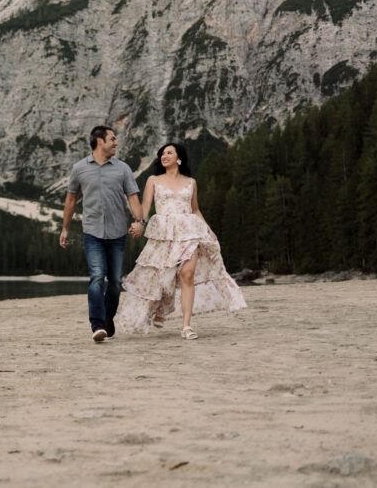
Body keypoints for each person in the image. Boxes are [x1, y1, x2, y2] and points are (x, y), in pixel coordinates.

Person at [116, 143, 247, 339]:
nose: (164, 156)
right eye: (162, 153)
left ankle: (186, 326)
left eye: (169, 152)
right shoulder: (153, 180)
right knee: (161, 278)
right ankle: (160, 310)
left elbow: (195, 209)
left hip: (190, 231)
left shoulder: (191, 182)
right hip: (164, 233)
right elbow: (145, 207)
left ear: (179, 157)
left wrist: (208, 229)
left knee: (187, 274)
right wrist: (139, 223)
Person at [60, 126, 145, 343]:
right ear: (99, 141)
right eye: (112, 139)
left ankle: (108, 318)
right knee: (97, 276)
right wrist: (65, 228)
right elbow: (70, 201)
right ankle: (97, 324)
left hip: (117, 233)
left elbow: (133, 198)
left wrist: (139, 221)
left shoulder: (123, 169)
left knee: (115, 282)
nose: (116, 143)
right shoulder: (79, 168)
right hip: (92, 233)